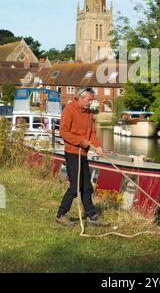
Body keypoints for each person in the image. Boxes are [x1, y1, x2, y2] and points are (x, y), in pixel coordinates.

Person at [56, 87, 106, 227]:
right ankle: (61, 214)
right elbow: (63, 132)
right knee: (76, 186)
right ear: (80, 97)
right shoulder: (69, 109)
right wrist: (81, 141)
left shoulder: (89, 113)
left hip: (83, 153)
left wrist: (98, 146)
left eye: (92, 100)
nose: (91, 103)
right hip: (72, 152)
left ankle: (91, 216)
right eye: (89, 100)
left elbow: (92, 134)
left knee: (87, 187)